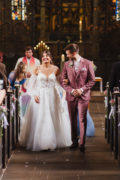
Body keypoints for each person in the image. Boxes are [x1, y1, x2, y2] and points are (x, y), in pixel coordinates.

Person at [19, 50, 72, 151]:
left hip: (52, 96)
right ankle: (42, 141)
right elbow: (31, 85)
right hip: (40, 95)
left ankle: (53, 140)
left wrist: (64, 93)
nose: (45, 58)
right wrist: (34, 95)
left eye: (47, 56)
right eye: (43, 56)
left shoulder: (56, 69)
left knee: (52, 116)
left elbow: (60, 83)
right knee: (42, 117)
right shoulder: (37, 69)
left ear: (50, 58)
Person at [61, 43, 95, 152]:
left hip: (83, 96)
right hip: (71, 96)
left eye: (68, 54)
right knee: (72, 120)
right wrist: (71, 91)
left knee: (82, 119)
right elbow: (63, 81)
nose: (67, 56)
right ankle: (74, 141)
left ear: (74, 52)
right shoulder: (66, 64)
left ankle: (82, 143)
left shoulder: (87, 63)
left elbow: (92, 80)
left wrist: (81, 90)